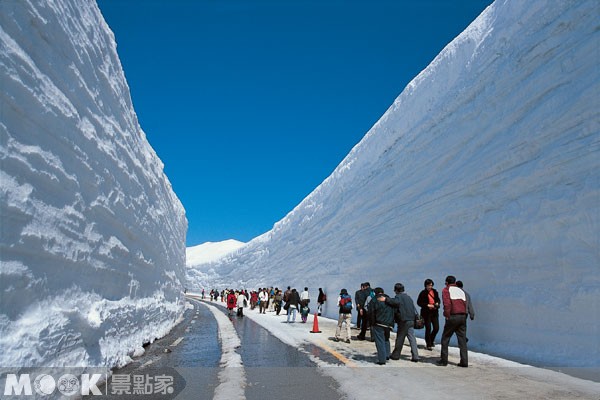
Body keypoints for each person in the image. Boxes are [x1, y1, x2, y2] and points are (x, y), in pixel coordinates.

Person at [382, 283, 419, 362]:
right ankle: (415, 356)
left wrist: (385, 299)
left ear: (396, 290)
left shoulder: (398, 297)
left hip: (403, 321)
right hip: (411, 320)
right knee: (412, 338)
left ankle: (396, 355)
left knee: (400, 338)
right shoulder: (409, 297)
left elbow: (395, 302)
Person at [437, 275, 469, 367]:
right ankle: (464, 361)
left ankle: (444, 360)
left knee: (445, 338)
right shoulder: (461, 290)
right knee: (462, 340)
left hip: (453, 316)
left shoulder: (446, 290)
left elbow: (447, 304)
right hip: (463, 316)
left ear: (447, 282)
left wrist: (447, 315)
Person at [368, 287, 395, 365]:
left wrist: (372, 323)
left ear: (375, 293)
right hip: (389, 323)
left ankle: (382, 360)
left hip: (378, 323)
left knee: (380, 341)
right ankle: (387, 355)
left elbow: (371, 312)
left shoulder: (374, 300)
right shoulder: (388, 298)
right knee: (386, 339)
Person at [417, 278, 441, 350]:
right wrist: (427, 305)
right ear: (425, 286)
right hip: (426, 313)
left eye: (431, 285)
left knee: (436, 328)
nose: (430, 287)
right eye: (429, 285)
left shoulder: (435, 291)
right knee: (428, 328)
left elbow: (438, 299)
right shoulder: (423, 293)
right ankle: (428, 344)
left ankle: (431, 339)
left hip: (434, 312)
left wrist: (437, 303)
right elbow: (419, 302)